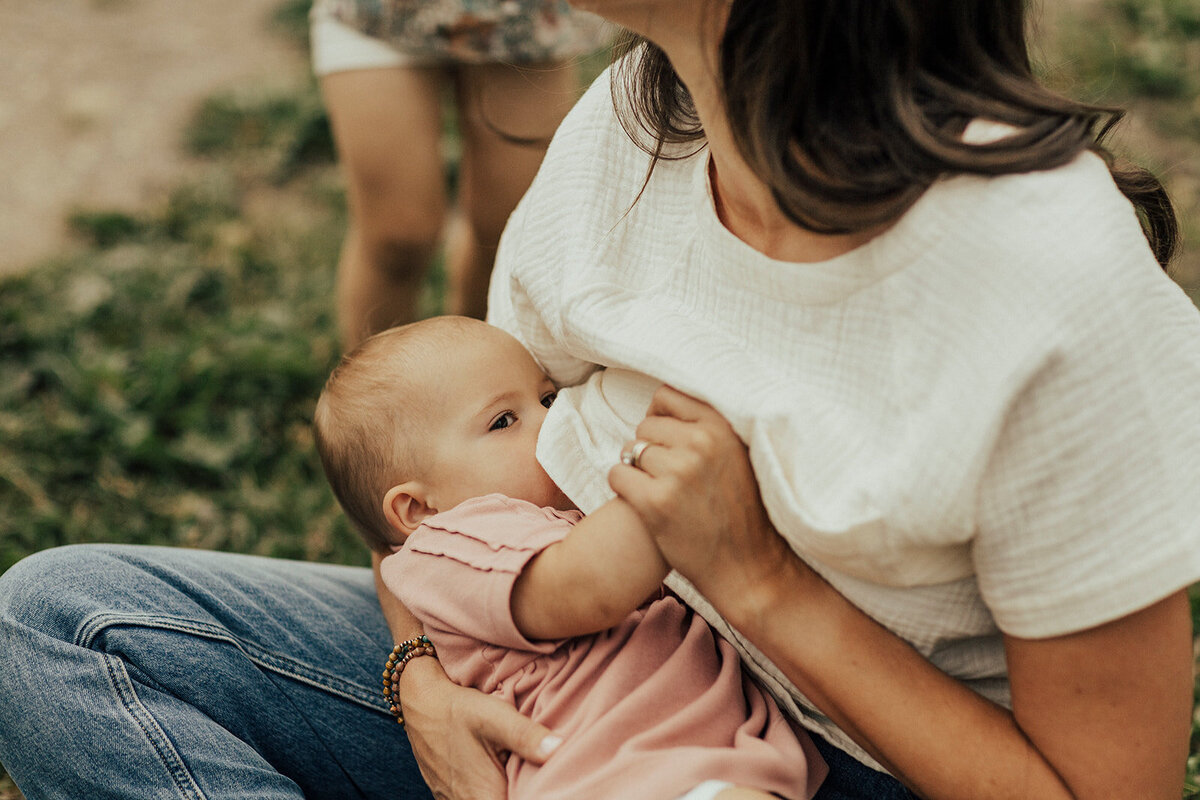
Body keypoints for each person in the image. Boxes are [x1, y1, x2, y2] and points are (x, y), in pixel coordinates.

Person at [1, 1, 1198, 798]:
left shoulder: (1052, 284)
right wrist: (423, 675)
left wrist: (759, 581)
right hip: (547, 682)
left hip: (814, 764)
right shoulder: (638, 119)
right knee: (59, 622)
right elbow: (437, 501)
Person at [311, 315, 825, 800]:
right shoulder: (454, 545)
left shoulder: (547, 519)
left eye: (549, 397)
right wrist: (674, 482)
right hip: (608, 776)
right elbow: (586, 587)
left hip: (694, 765)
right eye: (504, 420)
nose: (554, 420)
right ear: (419, 509)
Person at [310, 0, 608, 347]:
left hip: (522, 25)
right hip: (377, 17)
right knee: (397, 237)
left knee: (507, 233)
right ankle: (370, 394)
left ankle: (473, 373)